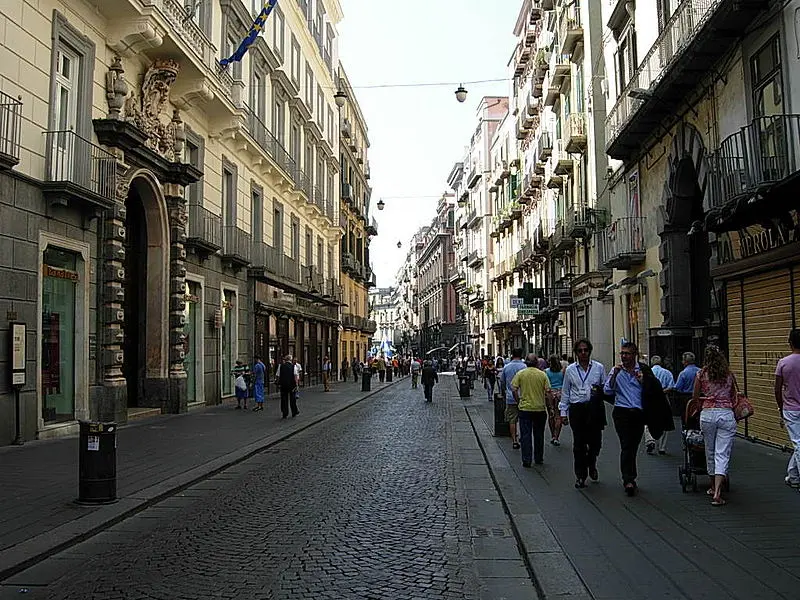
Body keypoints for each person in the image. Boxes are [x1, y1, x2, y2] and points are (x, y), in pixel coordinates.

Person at [604, 342, 673, 496]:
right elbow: (607, 390)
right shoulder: (616, 371)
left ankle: (630, 476)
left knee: (633, 446)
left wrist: (643, 381)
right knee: (626, 444)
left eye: (627, 353)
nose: (624, 356)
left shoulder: (643, 370)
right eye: (622, 353)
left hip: (638, 414)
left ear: (634, 355)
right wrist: (614, 374)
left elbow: (655, 390)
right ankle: (628, 479)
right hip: (622, 413)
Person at [689, 345, 737, 506]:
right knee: (722, 453)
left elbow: (695, 396)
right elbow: (734, 395)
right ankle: (718, 491)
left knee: (709, 451)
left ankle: (711, 485)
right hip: (726, 414)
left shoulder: (701, 374)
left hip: (708, 414)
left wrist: (697, 407)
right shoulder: (729, 374)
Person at [560, 339, 607, 489]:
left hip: (594, 409)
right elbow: (566, 392)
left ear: (590, 351)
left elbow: (605, 388)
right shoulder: (570, 370)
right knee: (579, 444)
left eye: (585, 350)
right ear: (576, 353)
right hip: (577, 409)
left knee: (595, 443)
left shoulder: (599, 368)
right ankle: (580, 476)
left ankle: (592, 462)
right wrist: (563, 412)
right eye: (580, 351)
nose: (583, 353)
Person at [511, 354, 552, 468]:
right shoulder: (542, 375)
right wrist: (550, 407)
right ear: (537, 363)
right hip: (539, 408)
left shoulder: (521, 374)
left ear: (526, 363)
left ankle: (526, 459)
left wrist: (518, 400)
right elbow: (548, 392)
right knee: (539, 435)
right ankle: (538, 458)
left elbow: (514, 389)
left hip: (525, 408)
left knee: (525, 435)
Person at [775, 328, 800, 490]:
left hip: (791, 408)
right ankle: (793, 475)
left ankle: (796, 477)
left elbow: (777, 389)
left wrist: (780, 406)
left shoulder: (783, 362)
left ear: (789, 343)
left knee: (798, 444)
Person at [644, 355, 676, 455]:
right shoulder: (667, 373)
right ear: (660, 363)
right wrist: (662, 392)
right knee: (664, 421)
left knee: (648, 420)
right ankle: (662, 447)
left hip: (649, 399)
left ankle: (650, 440)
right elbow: (672, 386)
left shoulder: (647, 373)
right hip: (663, 399)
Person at [500, 349, 527, 451]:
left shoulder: (507, 367)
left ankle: (514, 440)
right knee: (523, 420)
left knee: (512, 420)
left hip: (510, 397)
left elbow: (502, 381)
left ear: (512, 355)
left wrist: (504, 392)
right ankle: (522, 438)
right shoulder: (524, 367)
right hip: (523, 397)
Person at [545, 356, 564, 446]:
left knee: (551, 415)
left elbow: (546, 384)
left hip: (550, 394)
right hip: (560, 393)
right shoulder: (562, 371)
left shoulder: (546, 371)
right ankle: (557, 437)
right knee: (558, 416)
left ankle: (553, 435)